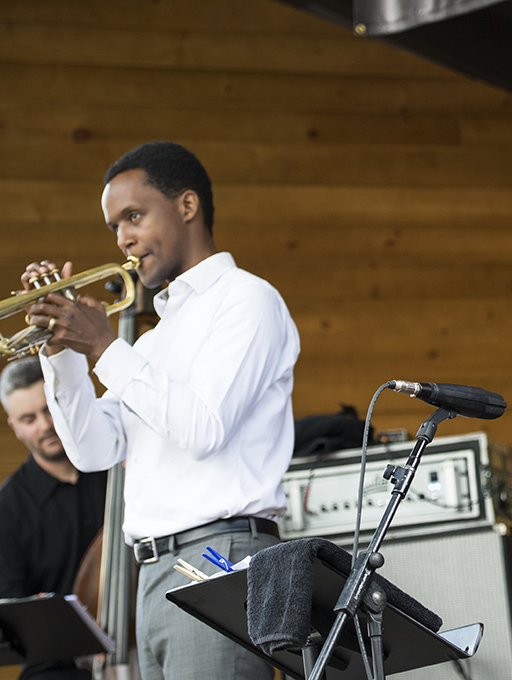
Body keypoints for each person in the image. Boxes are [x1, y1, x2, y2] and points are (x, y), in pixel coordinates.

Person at [23, 141, 300, 680]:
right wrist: (63, 357)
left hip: (218, 558)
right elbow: (94, 452)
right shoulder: (152, 342)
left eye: (133, 216)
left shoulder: (247, 300)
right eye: (113, 227)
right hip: (151, 572)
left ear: (187, 207)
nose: (123, 237)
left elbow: (202, 429)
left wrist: (104, 347)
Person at [0, 357, 108, 680]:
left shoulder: (116, 468)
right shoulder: (6, 509)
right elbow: (14, 612)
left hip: (137, 644)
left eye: (49, 409)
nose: (45, 425)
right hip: (55, 666)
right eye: (29, 418)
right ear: (14, 428)